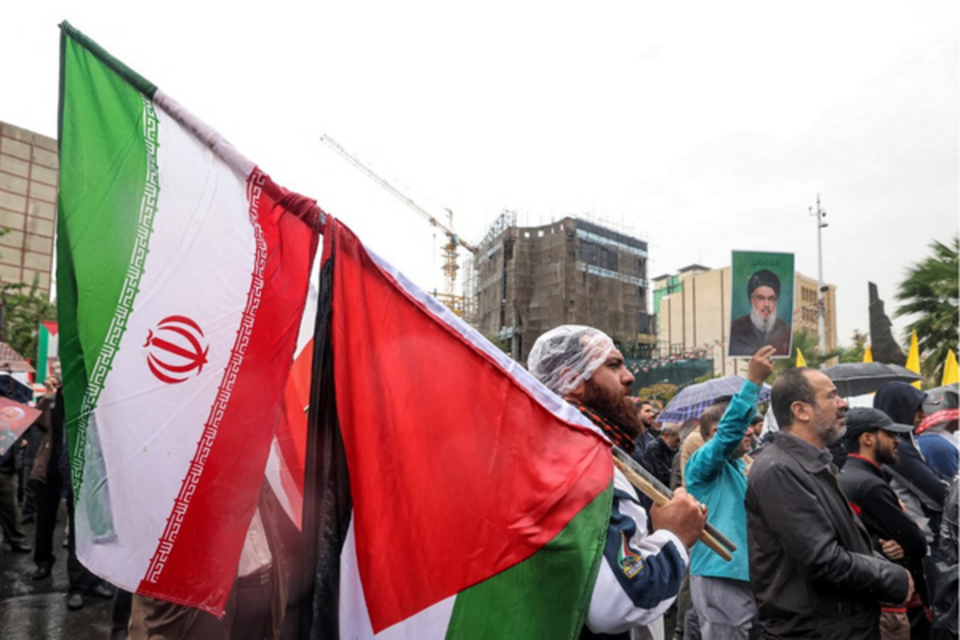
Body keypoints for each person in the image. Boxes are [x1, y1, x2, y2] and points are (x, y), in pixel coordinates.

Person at [527, 325, 707, 640]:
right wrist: (674, 535)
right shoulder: (576, 460)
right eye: (613, 365)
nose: (629, 376)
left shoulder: (562, 448)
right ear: (572, 380)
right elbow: (623, 600)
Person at [745, 367, 913, 639]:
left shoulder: (812, 463)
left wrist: (883, 562)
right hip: (817, 630)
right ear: (801, 411)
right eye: (832, 396)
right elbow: (822, 560)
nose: (843, 403)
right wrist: (891, 577)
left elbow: (844, 539)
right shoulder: (780, 470)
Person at [685, 346, 773, 640]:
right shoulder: (701, 466)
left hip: (749, 573)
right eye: (742, 427)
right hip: (719, 574)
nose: (750, 431)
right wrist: (753, 383)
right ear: (713, 435)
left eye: (752, 426)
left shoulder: (738, 467)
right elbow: (729, 436)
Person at [838, 407, 929, 640]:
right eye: (889, 434)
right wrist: (889, 545)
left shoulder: (846, 474)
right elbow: (917, 543)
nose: (896, 441)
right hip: (888, 600)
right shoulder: (869, 485)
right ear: (867, 438)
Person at [728, 269, 790, 357]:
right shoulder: (735, 330)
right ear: (752, 300)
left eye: (771, 299)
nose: (766, 304)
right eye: (761, 298)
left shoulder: (786, 331)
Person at [640, 422, 681, 489]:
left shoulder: (672, 449)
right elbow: (660, 474)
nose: (678, 444)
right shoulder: (654, 448)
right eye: (676, 440)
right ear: (666, 435)